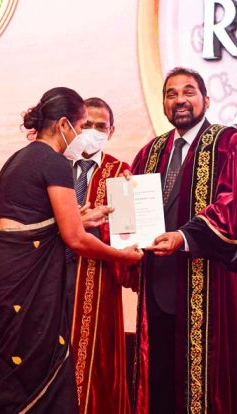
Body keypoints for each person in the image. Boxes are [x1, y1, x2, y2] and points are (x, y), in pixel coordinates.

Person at [0, 87, 143, 414]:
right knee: (28, 375)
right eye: (81, 126)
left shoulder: (19, 157)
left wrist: (82, 217)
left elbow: (32, 219)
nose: (83, 136)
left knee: (0, 371)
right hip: (25, 284)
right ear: (64, 125)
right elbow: (75, 239)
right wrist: (123, 256)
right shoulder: (55, 163)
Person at [128, 67, 237, 413]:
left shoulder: (228, 144)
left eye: (188, 91)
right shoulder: (150, 152)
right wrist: (123, 210)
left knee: (208, 382)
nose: (179, 99)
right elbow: (135, 217)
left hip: (209, 287)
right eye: (171, 94)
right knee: (160, 380)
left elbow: (233, 207)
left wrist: (184, 237)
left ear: (206, 100)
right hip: (157, 286)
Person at [65, 97, 137, 414]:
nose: (93, 132)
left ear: (111, 131)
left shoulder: (121, 173)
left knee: (97, 364)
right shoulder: (55, 166)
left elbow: (128, 237)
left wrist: (102, 225)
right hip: (52, 279)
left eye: (100, 126)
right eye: (87, 125)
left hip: (98, 281)